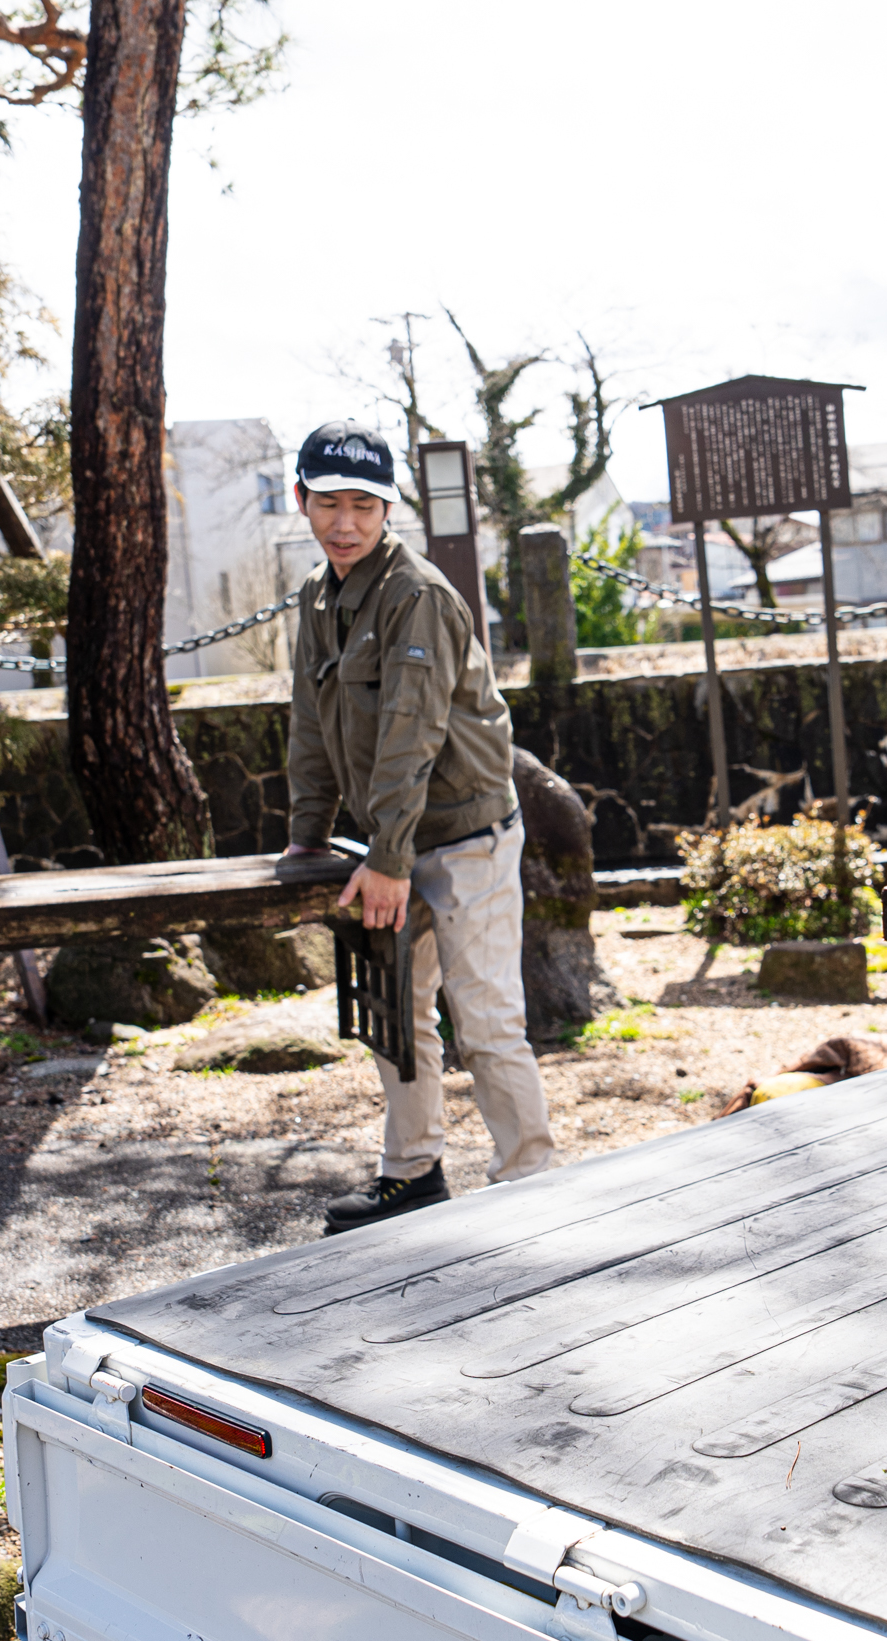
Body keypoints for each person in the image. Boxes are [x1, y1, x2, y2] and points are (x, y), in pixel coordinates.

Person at [281, 419, 556, 1232]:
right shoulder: (316, 595)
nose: (345, 523)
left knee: (486, 1016)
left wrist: (391, 859)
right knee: (395, 1013)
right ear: (301, 500)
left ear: (387, 509)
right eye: (328, 502)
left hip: (463, 833)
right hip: (387, 845)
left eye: (363, 506)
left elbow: (412, 733)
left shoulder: (420, 597)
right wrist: (307, 834)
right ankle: (412, 1172)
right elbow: (309, 718)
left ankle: (532, 1187)